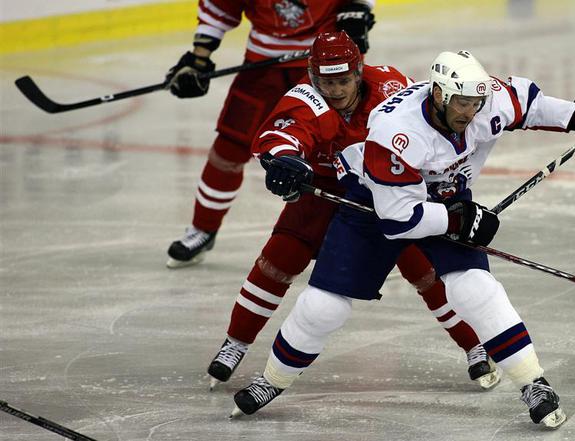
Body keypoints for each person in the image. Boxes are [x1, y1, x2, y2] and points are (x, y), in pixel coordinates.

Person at [230, 50, 575, 428]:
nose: (469, 111)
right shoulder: (397, 131)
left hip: (443, 198)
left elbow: (530, 104)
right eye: (461, 103)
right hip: (374, 202)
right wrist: (459, 219)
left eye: (475, 102)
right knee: (324, 307)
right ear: (440, 95)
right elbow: (399, 220)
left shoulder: (485, 101)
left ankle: (533, 382)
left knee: (474, 287)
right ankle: (272, 380)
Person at [204, 33, 500, 393]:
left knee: (425, 271)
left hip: (387, 191)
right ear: (313, 76)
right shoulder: (305, 97)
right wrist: (284, 161)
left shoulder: (391, 85)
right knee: (279, 260)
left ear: (359, 71)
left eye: (343, 80)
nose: (336, 90)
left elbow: (430, 123)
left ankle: (473, 345)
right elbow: (280, 136)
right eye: (327, 82)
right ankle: (236, 342)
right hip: (324, 190)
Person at [163, 0, 376, 268]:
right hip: (262, 66)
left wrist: (357, 8)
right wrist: (198, 59)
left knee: (346, 151)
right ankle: (203, 228)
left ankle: (373, 236)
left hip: (329, 66)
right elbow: (221, 7)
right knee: (229, 147)